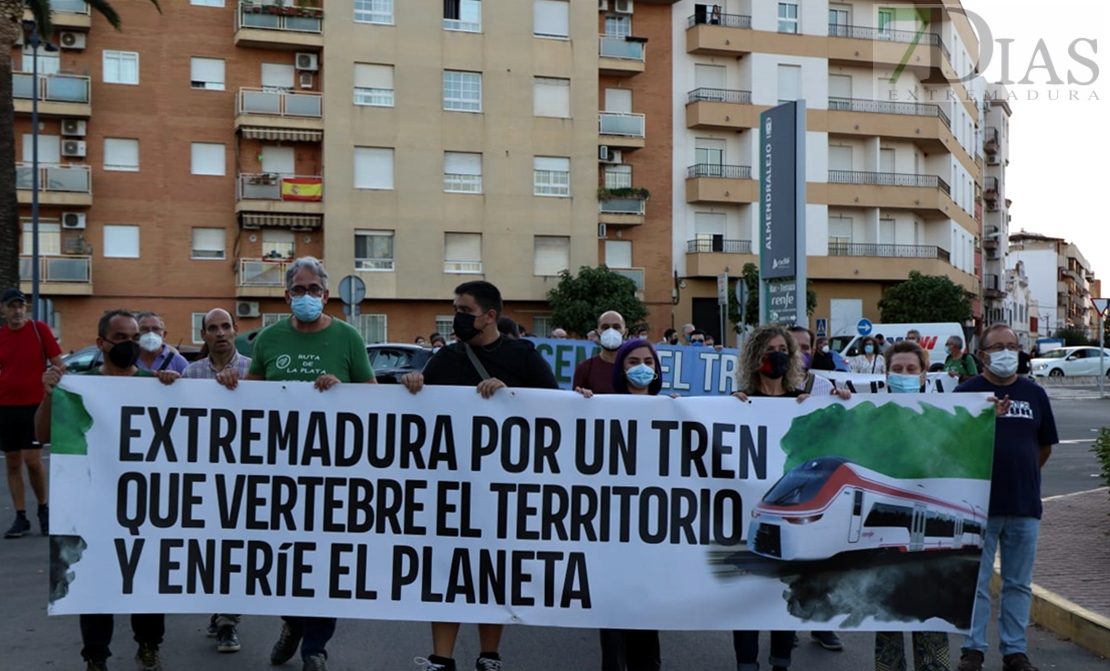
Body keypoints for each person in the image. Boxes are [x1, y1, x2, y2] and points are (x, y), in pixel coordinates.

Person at [401, 280, 559, 671]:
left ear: (490, 316)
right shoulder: (445, 359)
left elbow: (556, 407)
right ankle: (442, 657)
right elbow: (421, 413)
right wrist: (414, 385)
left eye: (465, 310)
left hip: (503, 487)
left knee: (492, 570)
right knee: (447, 569)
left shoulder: (523, 356)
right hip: (451, 484)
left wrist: (511, 395)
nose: (457, 316)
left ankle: (489, 655)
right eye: (455, 308)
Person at [239, 257, 377, 671]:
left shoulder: (348, 338)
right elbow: (251, 398)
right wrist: (231, 386)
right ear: (286, 296)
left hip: (332, 472)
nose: (305, 296)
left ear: (326, 294)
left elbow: (372, 399)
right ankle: (293, 622)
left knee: (324, 560)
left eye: (313, 289)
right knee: (284, 559)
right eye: (297, 290)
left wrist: (342, 392)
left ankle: (315, 646)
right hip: (277, 470)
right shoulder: (269, 338)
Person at [35, 309, 178, 671]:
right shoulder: (77, 386)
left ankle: (149, 645)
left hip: (142, 506)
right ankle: (96, 657)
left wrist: (176, 391)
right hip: (91, 503)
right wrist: (51, 393)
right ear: (101, 344)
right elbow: (43, 435)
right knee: (94, 579)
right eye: (121, 339)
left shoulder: (154, 385)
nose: (130, 345)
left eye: (134, 338)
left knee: (144, 577)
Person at [956, 324, 1058, 671]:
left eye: (1012, 346)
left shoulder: (1035, 394)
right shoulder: (966, 392)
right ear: (982, 355)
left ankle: (1015, 651)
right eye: (998, 346)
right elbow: (953, 443)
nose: (1006, 353)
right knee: (976, 584)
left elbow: (1043, 447)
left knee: (1018, 583)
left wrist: (1020, 473)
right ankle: (973, 649)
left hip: (1023, 504)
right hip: (976, 506)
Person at [576, 339, 664, 671]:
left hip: (652, 532)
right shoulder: (601, 407)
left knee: (647, 619)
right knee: (613, 621)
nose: (642, 367)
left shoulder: (671, 409)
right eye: (632, 362)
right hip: (612, 530)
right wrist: (580, 406)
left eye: (648, 361)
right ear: (620, 368)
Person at [182, 308, 251, 655]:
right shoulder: (190, 373)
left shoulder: (255, 370)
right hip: (203, 476)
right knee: (210, 550)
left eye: (226, 326)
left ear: (236, 330)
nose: (220, 333)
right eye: (213, 328)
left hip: (244, 477)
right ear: (204, 335)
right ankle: (218, 608)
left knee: (235, 549)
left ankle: (227, 622)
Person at [0, 288, 63, 538]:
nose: (17, 310)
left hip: (36, 406)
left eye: (21, 306)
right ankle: (20, 517)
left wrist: (56, 382)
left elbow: (60, 364)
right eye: (12, 306)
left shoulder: (39, 330)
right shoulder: (1, 336)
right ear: (3, 309)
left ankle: (43, 509)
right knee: (13, 462)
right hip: (6, 407)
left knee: (33, 461)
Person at [573, 311, 626, 395]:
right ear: (597, 332)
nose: (611, 331)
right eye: (605, 327)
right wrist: (581, 394)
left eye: (616, 327)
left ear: (625, 333)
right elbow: (576, 404)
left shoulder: (634, 368)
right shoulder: (585, 368)